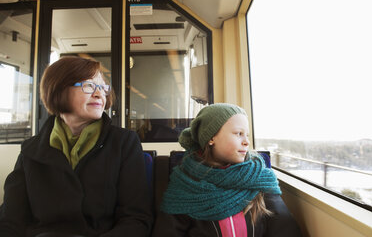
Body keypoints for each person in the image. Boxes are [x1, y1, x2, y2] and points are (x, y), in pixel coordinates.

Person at [0, 56, 153, 237]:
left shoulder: (124, 143)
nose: (99, 94)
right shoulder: (31, 150)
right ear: (58, 89)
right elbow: (11, 220)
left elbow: (136, 220)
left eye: (103, 87)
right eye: (88, 86)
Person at [152, 103, 301, 236]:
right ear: (211, 138)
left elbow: (285, 229)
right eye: (238, 133)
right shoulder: (185, 184)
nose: (246, 141)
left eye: (247, 135)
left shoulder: (259, 179)